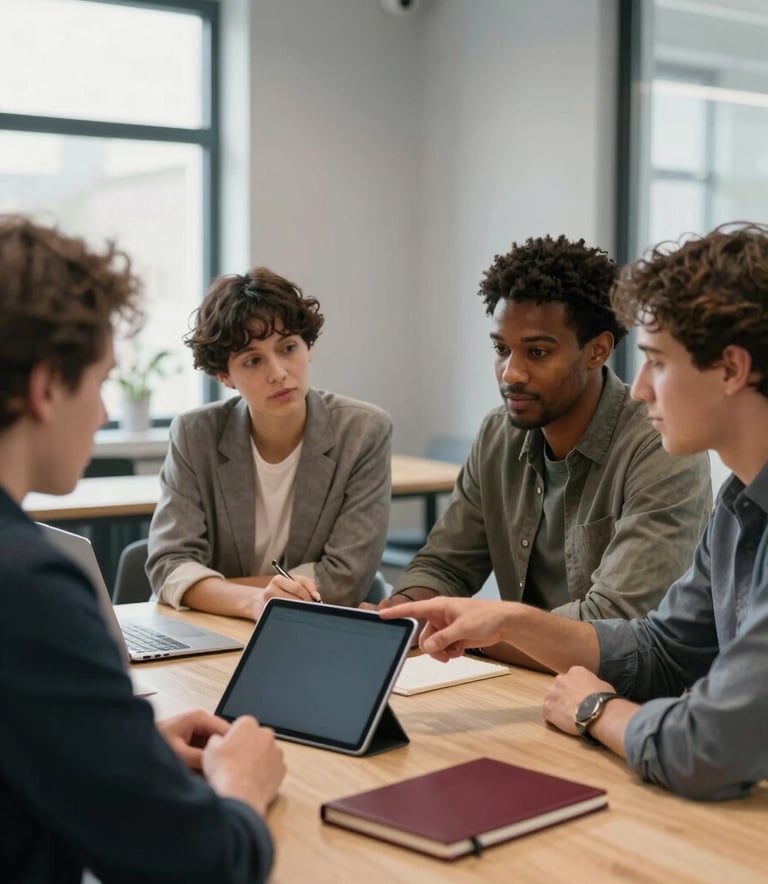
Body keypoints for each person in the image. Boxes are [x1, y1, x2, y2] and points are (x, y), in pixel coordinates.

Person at [382, 222, 768, 801]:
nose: (639, 389)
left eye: (658, 363)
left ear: (733, 370)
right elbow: (662, 652)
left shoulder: (670, 460)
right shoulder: (738, 504)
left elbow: (706, 747)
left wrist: (595, 709)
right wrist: (506, 622)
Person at [0, 215, 284, 882]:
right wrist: (243, 783)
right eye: (99, 383)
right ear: (45, 388)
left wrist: (117, 753)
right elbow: (202, 865)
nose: (101, 413)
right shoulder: (29, 585)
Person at [379, 234, 711, 666]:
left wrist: (464, 632)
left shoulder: (661, 447)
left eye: (537, 352)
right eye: (501, 349)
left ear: (598, 350)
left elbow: (612, 625)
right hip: (525, 681)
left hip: (623, 697)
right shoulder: (500, 433)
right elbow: (446, 566)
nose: (510, 373)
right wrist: (398, 618)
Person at [147, 267, 392, 618]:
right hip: (223, 628)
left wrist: (214, 588)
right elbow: (169, 565)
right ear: (225, 376)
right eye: (253, 360)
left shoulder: (363, 431)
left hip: (313, 629)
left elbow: (345, 578)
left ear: (309, 348)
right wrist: (253, 601)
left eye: (288, 347)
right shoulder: (194, 434)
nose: (278, 372)